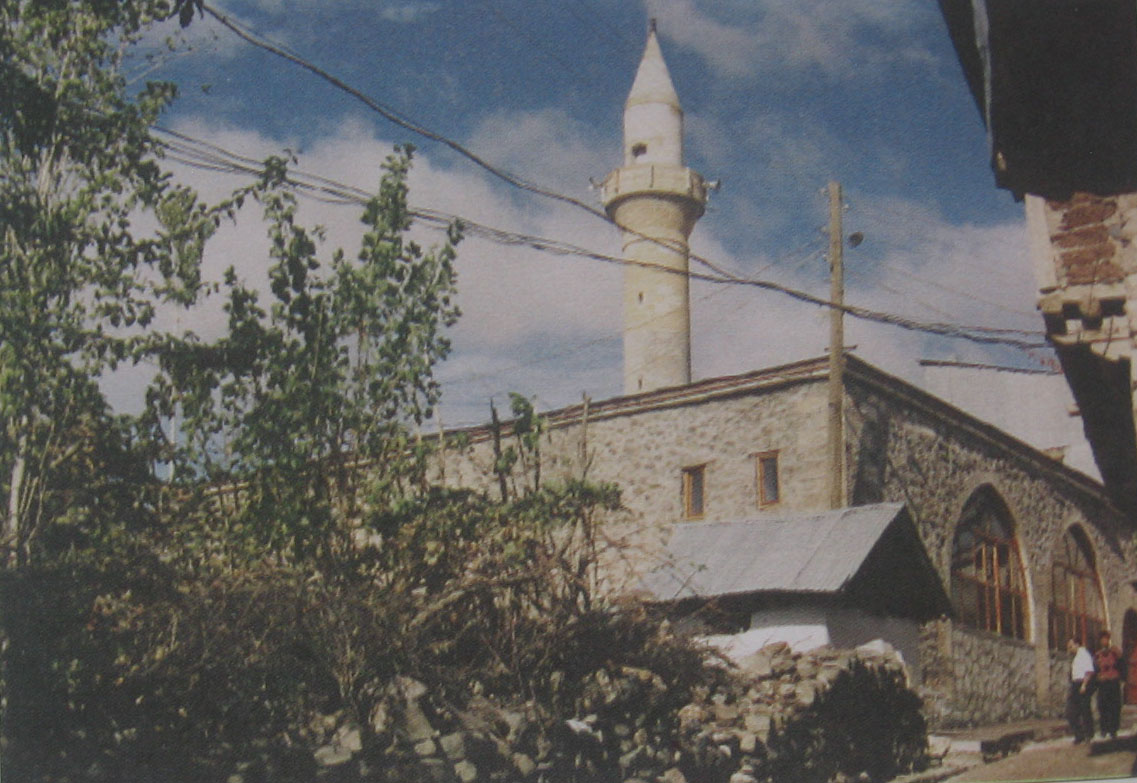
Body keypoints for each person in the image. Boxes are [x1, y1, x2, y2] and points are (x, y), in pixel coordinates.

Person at [1094, 629, 1123, 739]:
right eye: (1102, 639)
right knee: (1103, 707)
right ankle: (1104, 729)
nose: (1104, 641)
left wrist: (1121, 679)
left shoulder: (1115, 652)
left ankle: (1113, 730)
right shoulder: (1098, 655)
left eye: (1106, 639)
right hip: (1103, 684)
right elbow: (1095, 669)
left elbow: (1121, 665)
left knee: (1114, 707)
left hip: (1113, 683)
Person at [1067, 634, 1095, 743]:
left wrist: (1084, 685)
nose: (1070, 649)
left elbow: (1089, 671)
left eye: (1071, 646)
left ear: (1077, 644)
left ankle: (1089, 734)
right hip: (1075, 684)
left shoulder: (1084, 655)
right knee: (1071, 711)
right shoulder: (1075, 656)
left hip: (1083, 684)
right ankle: (1079, 734)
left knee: (1085, 710)